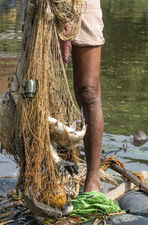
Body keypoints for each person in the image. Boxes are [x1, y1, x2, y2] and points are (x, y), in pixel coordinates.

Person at [61, 0, 105, 192]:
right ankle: (32, 175)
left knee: (88, 91)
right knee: (35, 89)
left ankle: (92, 179)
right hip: (41, 7)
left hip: (82, 4)